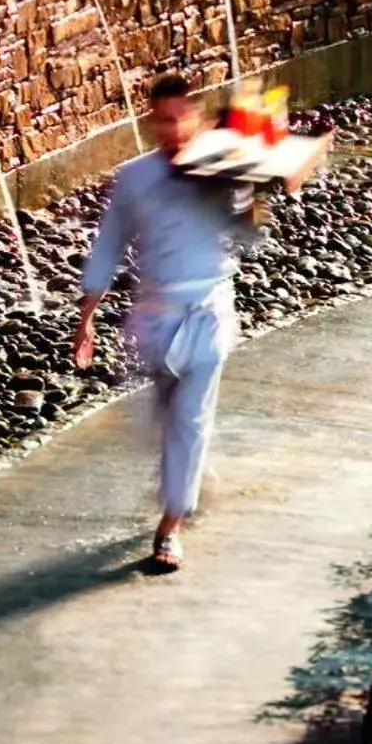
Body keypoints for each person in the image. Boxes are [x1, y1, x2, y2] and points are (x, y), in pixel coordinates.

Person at [73, 71, 329, 573]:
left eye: (179, 118)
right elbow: (108, 245)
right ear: (152, 121)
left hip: (208, 311)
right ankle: (185, 479)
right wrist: (87, 318)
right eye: (162, 120)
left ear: (195, 117)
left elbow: (251, 235)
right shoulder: (134, 178)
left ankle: (170, 528)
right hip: (153, 317)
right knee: (164, 422)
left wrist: (265, 189)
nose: (171, 129)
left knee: (190, 421)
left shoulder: (222, 171)